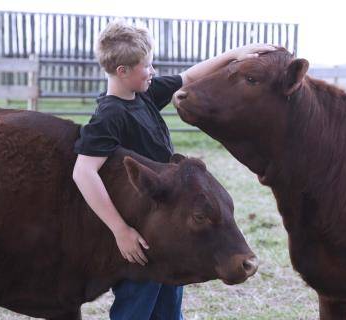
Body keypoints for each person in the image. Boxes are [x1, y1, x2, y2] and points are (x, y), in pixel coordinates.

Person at [72, 18, 274, 320]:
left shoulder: (144, 96)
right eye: (147, 66)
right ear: (122, 71)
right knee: (137, 306)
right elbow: (83, 172)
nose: (152, 72)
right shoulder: (109, 115)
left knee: (168, 307)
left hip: (168, 231)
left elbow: (189, 75)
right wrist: (120, 230)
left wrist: (235, 54)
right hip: (141, 234)